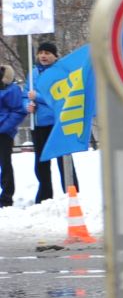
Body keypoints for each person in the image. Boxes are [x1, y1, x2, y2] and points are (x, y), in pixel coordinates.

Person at [26, 39, 77, 203]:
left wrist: (38, 98)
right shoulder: (33, 73)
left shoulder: (61, 73)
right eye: (40, 53)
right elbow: (25, 94)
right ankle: (44, 197)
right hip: (38, 124)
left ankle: (72, 193)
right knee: (41, 162)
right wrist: (27, 105)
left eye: (47, 53)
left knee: (64, 160)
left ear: (55, 56)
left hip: (57, 124)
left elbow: (60, 97)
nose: (43, 56)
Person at [0, 63, 24, 208]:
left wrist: (4, 127)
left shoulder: (12, 89)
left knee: (5, 164)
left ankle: (6, 197)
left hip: (4, 132)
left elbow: (19, 111)